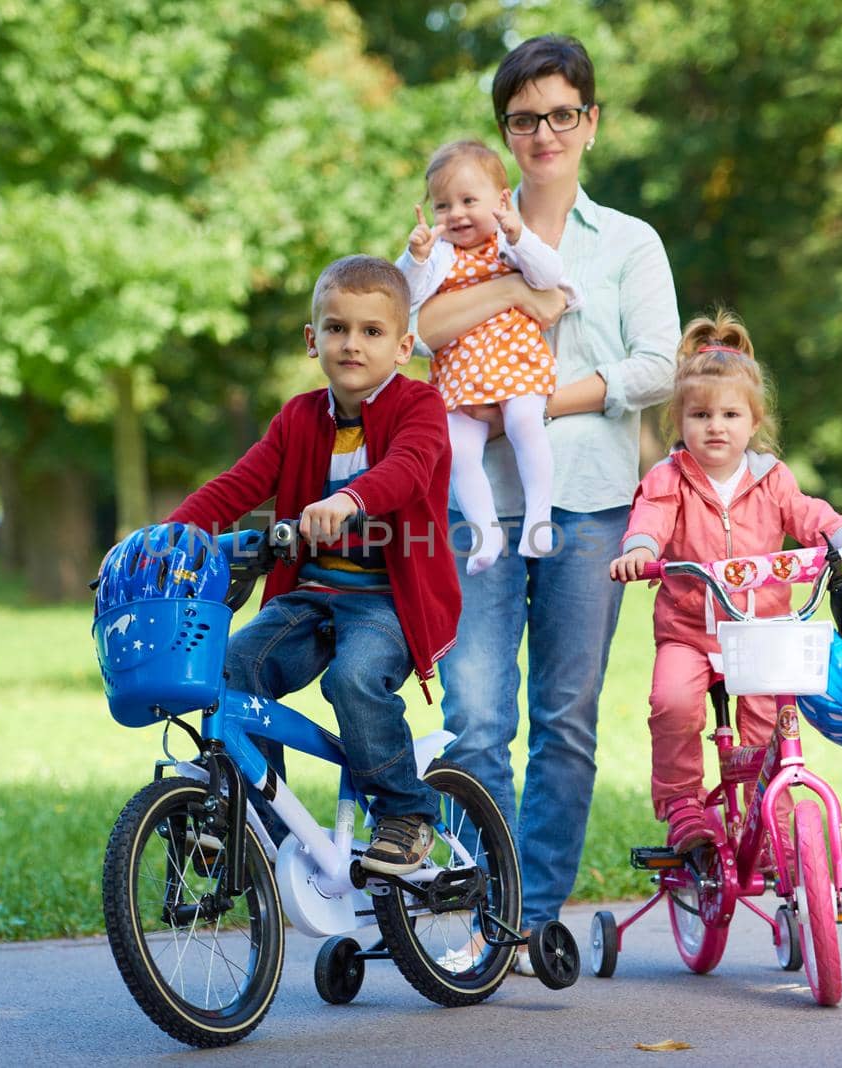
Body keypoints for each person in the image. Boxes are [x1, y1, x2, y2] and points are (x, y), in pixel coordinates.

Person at [414, 34, 681, 961]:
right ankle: (481, 907)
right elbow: (419, 329)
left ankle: (529, 916)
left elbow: (657, 366)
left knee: (565, 722)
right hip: (476, 506)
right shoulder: (464, 219)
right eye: (525, 119)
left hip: (593, 505)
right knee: (476, 717)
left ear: (591, 122)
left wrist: (526, 405)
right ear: (505, 131)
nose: (544, 133)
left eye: (561, 114)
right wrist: (518, 305)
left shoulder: (631, 244)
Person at [166, 255, 461, 876]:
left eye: (372, 331)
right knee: (232, 664)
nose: (352, 343)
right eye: (336, 328)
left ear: (405, 345)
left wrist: (350, 500)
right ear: (312, 339)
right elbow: (238, 485)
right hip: (309, 595)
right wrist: (171, 535)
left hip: (387, 598)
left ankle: (407, 813)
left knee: (353, 679)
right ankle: (253, 819)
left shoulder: (421, 407)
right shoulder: (298, 417)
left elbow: (407, 469)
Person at [609, 310, 842, 851]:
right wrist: (639, 550)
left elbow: (810, 515)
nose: (716, 426)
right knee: (671, 703)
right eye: (700, 414)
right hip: (689, 632)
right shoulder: (668, 479)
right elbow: (649, 521)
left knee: (771, 723)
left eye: (731, 414)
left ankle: (772, 823)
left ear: (753, 423)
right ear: (680, 420)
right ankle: (684, 808)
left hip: (761, 631)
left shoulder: (771, 479)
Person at [397, 140, 578, 575]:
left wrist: (518, 234)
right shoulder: (439, 255)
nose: (456, 214)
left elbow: (549, 275)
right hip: (460, 372)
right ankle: (486, 532)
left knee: (524, 424)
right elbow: (405, 299)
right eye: (443, 205)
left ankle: (538, 518)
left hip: (516, 361)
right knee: (458, 452)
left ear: (500, 201)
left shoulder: (508, 241)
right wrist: (414, 258)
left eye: (467, 201)